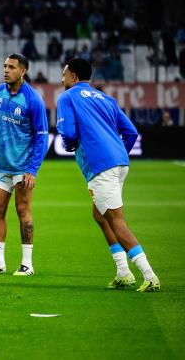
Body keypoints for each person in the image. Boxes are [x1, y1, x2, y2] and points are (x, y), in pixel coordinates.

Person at [56, 58, 160, 292]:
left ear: (73, 76)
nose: (61, 79)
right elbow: (131, 132)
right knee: (99, 215)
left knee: (116, 220)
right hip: (120, 162)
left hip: (100, 165)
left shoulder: (67, 97)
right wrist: (116, 153)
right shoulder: (106, 98)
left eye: (64, 74)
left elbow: (69, 133)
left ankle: (149, 275)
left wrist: (68, 143)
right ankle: (123, 273)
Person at [0, 53, 48, 276]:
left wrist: (32, 169)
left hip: (23, 167)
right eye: (5, 66)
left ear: (23, 71)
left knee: (23, 210)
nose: (6, 70)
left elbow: (43, 137)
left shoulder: (33, 99)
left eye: (12, 67)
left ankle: (27, 264)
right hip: (0, 165)